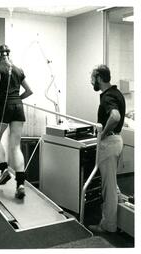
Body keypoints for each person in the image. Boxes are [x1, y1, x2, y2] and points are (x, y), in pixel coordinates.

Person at [0, 45, 33, 199]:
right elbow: (29, 91)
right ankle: (20, 185)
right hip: (18, 107)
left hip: (3, 106)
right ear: (9, 55)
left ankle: (4, 169)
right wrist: (16, 100)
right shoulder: (19, 70)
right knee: (16, 146)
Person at [88, 64, 126, 233]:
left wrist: (102, 133)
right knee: (113, 184)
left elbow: (115, 116)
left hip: (109, 143)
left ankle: (108, 226)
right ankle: (123, 214)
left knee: (108, 188)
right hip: (117, 141)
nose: (91, 82)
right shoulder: (116, 93)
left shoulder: (107, 96)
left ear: (99, 78)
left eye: (93, 78)